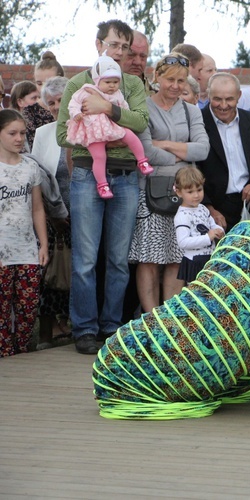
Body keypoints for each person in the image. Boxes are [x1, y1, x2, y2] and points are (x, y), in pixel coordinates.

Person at [56, 19, 149, 355]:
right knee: (84, 257)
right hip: (86, 175)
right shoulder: (76, 84)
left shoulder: (132, 84)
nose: (120, 52)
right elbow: (62, 135)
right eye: (114, 45)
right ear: (99, 45)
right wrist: (106, 140)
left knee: (118, 258)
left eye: (125, 47)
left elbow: (141, 121)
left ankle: (112, 327)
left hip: (125, 177)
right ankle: (84, 329)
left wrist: (105, 109)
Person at [129, 52, 210, 313]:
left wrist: (162, 144)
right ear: (157, 77)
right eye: (170, 79)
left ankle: (170, 319)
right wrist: (182, 153)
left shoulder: (190, 110)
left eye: (181, 80)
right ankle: (151, 320)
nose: (176, 86)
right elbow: (145, 151)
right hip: (150, 192)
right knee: (149, 259)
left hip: (184, 197)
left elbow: (203, 149)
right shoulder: (142, 106)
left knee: (177, 258)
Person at [66, 55, 154, 199]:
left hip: (112, 127)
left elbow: (124, 109)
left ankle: (142, 161)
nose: (112, 85)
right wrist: (76, 113)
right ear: (97, 80)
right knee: (99, 156)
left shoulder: (117, 94)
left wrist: (123, 114)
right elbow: (74, 103)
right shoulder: (86, 90)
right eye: (107, 82)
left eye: (115, 82)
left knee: (130, 136)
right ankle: (102, 185)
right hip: (94, 129)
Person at [197, 72, 250, 231]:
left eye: (229, 99)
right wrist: (208, 208)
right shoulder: (198, 122)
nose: (224, 105)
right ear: (209, 95)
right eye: (217, 99)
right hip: (211, 207)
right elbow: (192, 169)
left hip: (249, 204)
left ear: (239, 96)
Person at [0, 109, 49, 356]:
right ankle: (5, 353)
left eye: (22, 133)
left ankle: (21, 351)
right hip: (2, 249)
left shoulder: (31, 167)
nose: (19, 138)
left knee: (28, 308)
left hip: (27, 248)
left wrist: (43, 245)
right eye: (12, 133)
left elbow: (37, 208)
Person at [32, 76, 72, 349]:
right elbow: (38, 175)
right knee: (51, 274)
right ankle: (47, 332)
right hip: (53, 215)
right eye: (52, 102)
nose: (57, 106)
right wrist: (54, 216)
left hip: (82, 212)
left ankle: (75, 327)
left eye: (61, 100)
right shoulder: (43, 133)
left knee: (79, 270)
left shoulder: (86, 127)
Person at [173, 166, 224, 283]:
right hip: (194, 261)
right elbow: (183, 242)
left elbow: (212, 224)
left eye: (199, 190)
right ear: (179, 192)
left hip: (210, 257)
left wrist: (218, 230)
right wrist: (208, 238)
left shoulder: (203, 208)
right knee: (198, 294)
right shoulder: (182, 215)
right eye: (190, 192)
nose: (196, 195)